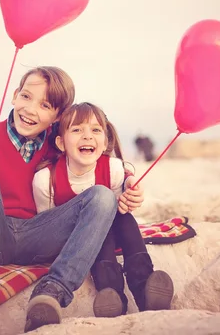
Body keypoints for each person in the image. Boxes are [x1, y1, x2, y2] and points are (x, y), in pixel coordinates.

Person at [0, 66, 145, 335]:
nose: (31, 109)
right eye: (27, 97)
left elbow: (96, 160)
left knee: (102, 196)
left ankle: (53, 290)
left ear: (58, 116)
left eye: (45, 105)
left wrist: (128, 181)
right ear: (15, 95)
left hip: (42, 236)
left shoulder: (60, 141)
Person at [32, 102, 174, 318]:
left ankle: (145, 286)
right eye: (77, 129)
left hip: (115, 230)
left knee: (122, 217)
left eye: (95, 130)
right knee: (99, 226)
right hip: (78, 240)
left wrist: (130, 186)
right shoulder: (46, 180)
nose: (87, 136)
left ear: (105, 140)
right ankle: (111, 293)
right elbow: (48, 226)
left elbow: (125, 185)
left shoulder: (113, 168)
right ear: (61, 143)